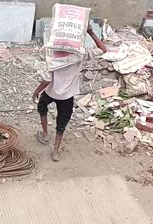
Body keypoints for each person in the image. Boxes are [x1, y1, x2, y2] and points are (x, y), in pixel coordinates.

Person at [32, 23, 107, 162]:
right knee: (62, 123)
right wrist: (91, 32)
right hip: (67, 96)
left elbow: (47, 79)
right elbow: (103, 50)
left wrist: (36, 92)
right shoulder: (80, 54)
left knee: (42, 106)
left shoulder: (54, 55)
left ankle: (45, 134)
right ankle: (55, 151)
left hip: (51, 92)